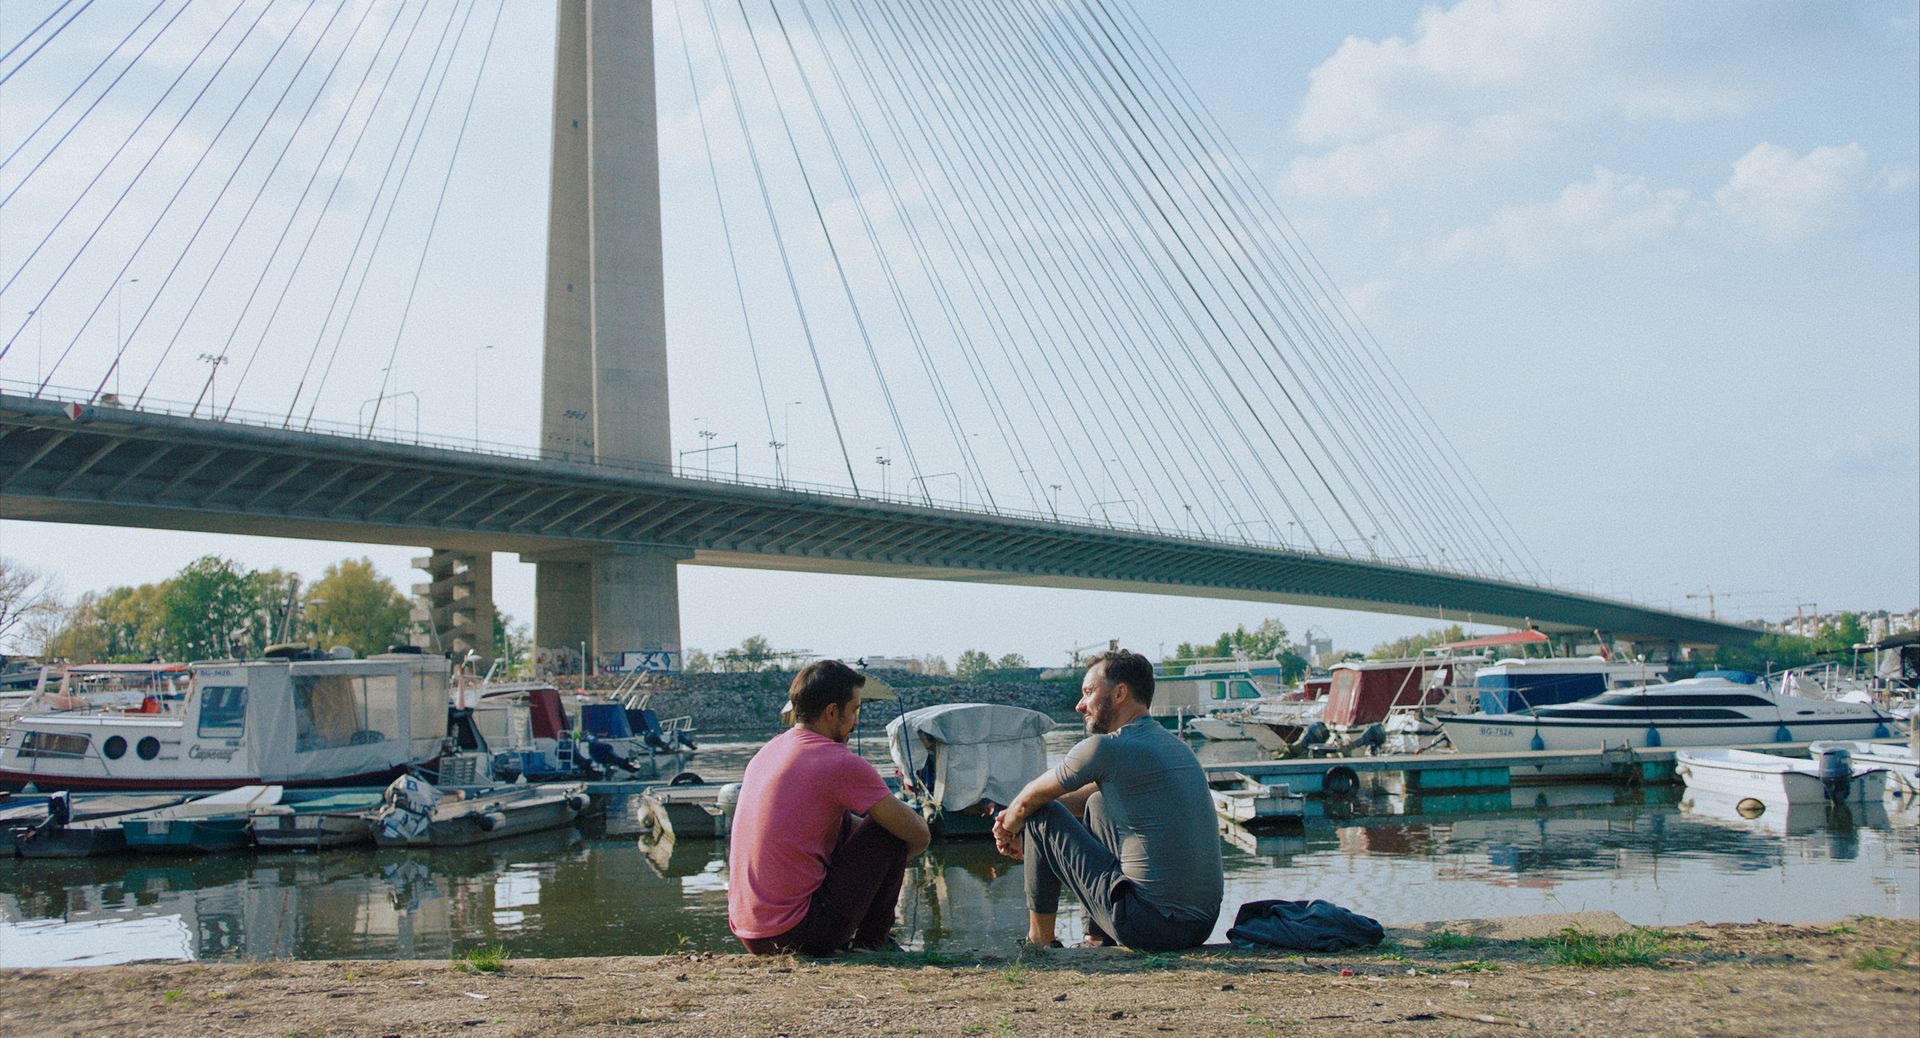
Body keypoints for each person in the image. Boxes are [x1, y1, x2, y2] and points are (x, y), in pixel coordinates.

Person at [991, 648, 1223, 951]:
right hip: (1198, 927)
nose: (1079, 705)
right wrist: (1033, 839)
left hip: (1148, 927)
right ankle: (1097, 937)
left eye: (1088, 692)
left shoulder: (1105, 748)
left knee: (1040, 813)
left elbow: (1030, 800)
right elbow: (1077, 799)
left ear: (1119, 693)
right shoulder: (1173, 746)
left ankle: (1039, 943)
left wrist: (1008, 826)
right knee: (1097, 804)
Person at [728, 659, 931, 955]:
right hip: (796, 933)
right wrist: (884, 866)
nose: (857, 721)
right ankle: (873, 942)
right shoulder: (838, 761)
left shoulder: (767, 752)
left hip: (752, 933)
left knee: (846, 822)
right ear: (832, 712)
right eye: (854, 710)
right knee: (892, 831)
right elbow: (918, 834)